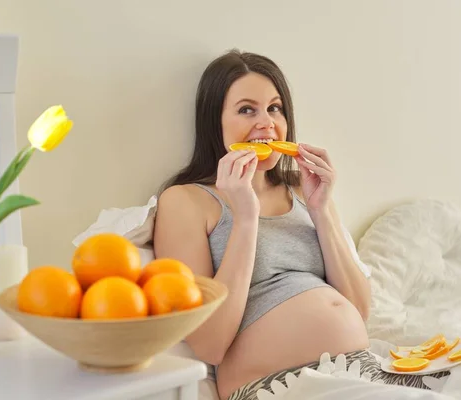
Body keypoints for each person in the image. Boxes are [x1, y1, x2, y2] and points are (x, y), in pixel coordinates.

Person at [154, 50, 446, 400]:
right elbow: (210, 345)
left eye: (274, 108)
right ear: (214, 122)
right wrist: (246, 218)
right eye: (247, 109)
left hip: (357, 369)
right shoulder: (185, 201)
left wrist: (322, 211)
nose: (266, 123)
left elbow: (359, 310)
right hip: (276, 385)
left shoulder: (303, 192)